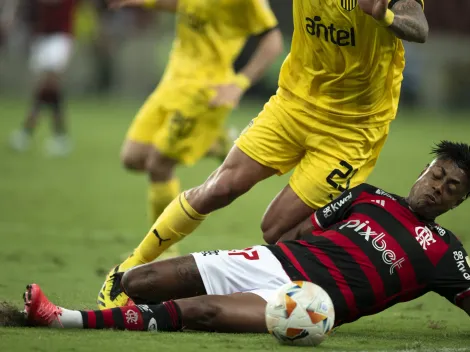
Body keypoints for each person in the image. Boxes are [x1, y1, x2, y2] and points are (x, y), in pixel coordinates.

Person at [98, 0, 430, 309]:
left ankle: (333, 273)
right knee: (219, 188)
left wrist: (384, 15)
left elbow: (418, 25)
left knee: (276, 230)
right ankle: (128, 272)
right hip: (292, 106)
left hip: (351, 129)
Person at [12, 141, 470, 334]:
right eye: (436, 175)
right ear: (423, 172)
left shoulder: (445, 252)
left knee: (203, 311)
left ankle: (62, 319)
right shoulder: (368, 197)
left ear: (457, 204)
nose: (437, 187)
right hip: (277, 260)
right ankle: (150, 315)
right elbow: (302, 231)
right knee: (139, 282)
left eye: (452, 188)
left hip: (310, 301)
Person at [103, 0, 283, 262]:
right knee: (132, 158)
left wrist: (239, 83)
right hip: (172, 82)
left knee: (159, 164)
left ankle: (162, 250)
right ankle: (216, 142)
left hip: (206, 92)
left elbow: (273, 40)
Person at [8, 0, 76, 156]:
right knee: (45, 89)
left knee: (48, 85)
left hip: (60, 37)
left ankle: (28, 132)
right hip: (42, 38)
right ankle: (59, 136)